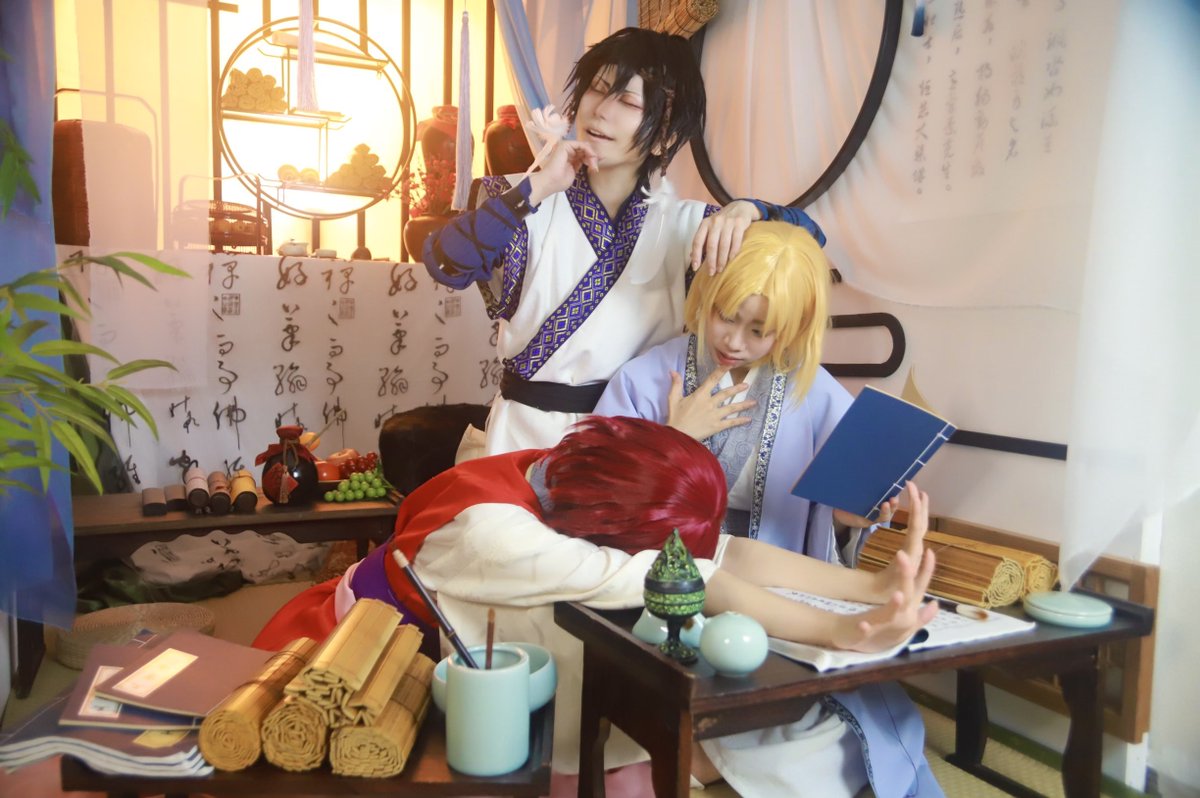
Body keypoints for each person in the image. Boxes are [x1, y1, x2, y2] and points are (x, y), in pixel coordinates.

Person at [255, 417, 943, 798]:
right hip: (360, 653)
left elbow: (727, 554)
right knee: (587, 642)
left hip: (445, 615)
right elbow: (702, 579)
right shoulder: (495, 531)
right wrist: (841, 632)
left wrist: (869, 586)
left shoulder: (563, 467)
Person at [423, 27, 826, 458]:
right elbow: (446, 264)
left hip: (637, 445)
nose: (601, 111)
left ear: (666, 135)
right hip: (525, 439)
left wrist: (752, 210)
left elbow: (810, 242)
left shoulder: (692, 226)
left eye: (628, 103)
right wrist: (538, 187)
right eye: (597, 90)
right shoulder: (521, 198)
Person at [595, 222, 886, 564]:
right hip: (662, 565)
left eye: (758, 332)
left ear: (794, 330)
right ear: (707, 294)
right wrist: (673, 439)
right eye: (726, 316)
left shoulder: (820, 398)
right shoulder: (645, 378)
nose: (733, 342)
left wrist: (843, 521)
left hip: (771, 571)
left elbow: (831, 514)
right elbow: (596, 487)